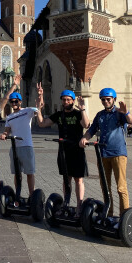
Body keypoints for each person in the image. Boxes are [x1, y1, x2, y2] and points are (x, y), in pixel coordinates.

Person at [79, 88, 132, 226]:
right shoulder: (100, 115)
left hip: (118, 153)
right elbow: (91, 130)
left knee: (121, 187)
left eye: (108, 99)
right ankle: (108, 214)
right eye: (103, 99)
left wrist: (126, 112)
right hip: (103, 154)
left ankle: (124, 217)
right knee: (105, 186)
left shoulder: (119, 113)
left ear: (113, 99)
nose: (105, 102)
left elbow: (131, 121)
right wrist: (84, 138)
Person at [36, 86, 89, 217]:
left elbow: (86, 124)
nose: (66, 102)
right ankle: (65, 204)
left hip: (77, 151)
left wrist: (82, 109)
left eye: (68, 100)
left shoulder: (78, 114)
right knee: (66, 180)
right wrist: (38, 108)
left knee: (78, 179)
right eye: (64, 100)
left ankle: (79, 207)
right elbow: (42, 123)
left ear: (73, 101)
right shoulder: (59, 115)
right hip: (64, 151)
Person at [0, 91, 38, 197]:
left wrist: (40, 96)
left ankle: (32, 196)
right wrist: (4, 134)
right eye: (12, 102)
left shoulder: (27, 111)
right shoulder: (9, 117)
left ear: (20, 101)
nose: (14, 103)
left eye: (16, 101)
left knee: (29, 173)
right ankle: (18, 195)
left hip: (26, 146)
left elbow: (39, 108)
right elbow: (7, 130)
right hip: (15, 148)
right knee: (17, 174)